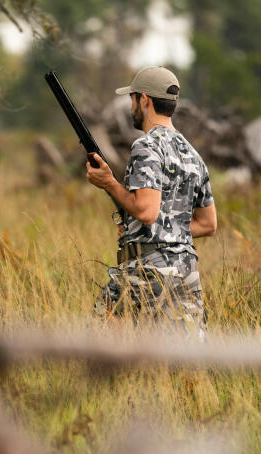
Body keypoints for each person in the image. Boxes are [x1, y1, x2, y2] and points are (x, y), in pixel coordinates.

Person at [86, 66, 217, 338]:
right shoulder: (193, 155)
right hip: (186, 273)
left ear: (144, 101)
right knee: (185, 368)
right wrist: (151, 229)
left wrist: (109, 182)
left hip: (144, 272)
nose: (130, 106)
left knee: (97, 344)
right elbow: (208, 224)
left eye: (132, 99)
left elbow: (146, 211)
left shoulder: (146, 146)